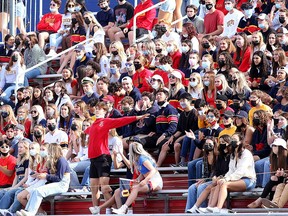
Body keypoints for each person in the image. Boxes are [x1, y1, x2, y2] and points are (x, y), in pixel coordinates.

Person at [87, 101, 149, 211]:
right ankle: (96, 210)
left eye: (100, 109)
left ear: (105, 112)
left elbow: (121, 121)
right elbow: (84, 131)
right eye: (96, 108)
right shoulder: (93, 124)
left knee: (104, 187)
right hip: (93, 158)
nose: (97, 110)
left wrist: (137, 117)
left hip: (103, 157)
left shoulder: (105, 121)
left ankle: (112, 209)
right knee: (93, 187)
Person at [199, 133, 256, 213]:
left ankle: (218, 208)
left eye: (235, 140)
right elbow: (231, 170)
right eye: (232, 139)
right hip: (236, 180)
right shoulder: (233, 154)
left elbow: (240, 172)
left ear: (240, 142)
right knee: (218, 184)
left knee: (224, 184)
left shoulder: (246, 154)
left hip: (248, 180)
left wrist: (226, 179)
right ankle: (210, 207)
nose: (233, 141)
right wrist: (224, 178)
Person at [16, 143, 71, 216]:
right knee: (34, 191)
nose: (47, 152)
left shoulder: (61, 160)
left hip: (62, 184)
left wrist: (46, 176)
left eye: (49, 150)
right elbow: (50, 176)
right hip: (54, 183)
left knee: (38, 191)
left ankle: (31, 213)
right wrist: (40, 175)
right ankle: (28, 211)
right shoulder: (52, 161)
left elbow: (59, 178)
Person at [112, 142, 163, 214]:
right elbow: (143, 172)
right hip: (149, 181)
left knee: (136, 188)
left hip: (155, 181)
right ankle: (122, 210)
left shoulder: (142, 158)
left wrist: (145, 180)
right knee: (119, 190)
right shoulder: (137, 160)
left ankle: (124, 208)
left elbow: (153, 170)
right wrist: (138, 179)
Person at [248, 138, 288, 208]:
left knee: (276, 184)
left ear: (281, 148)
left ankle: (274, 205)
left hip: (285, 180)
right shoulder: (274, 158)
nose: (273, 148)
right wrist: (278, 175)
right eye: (273, 146)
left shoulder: (286, 158)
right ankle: (273, 203)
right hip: (283, 181)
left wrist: (284, 174)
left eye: (275, 146)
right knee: (278, 186)